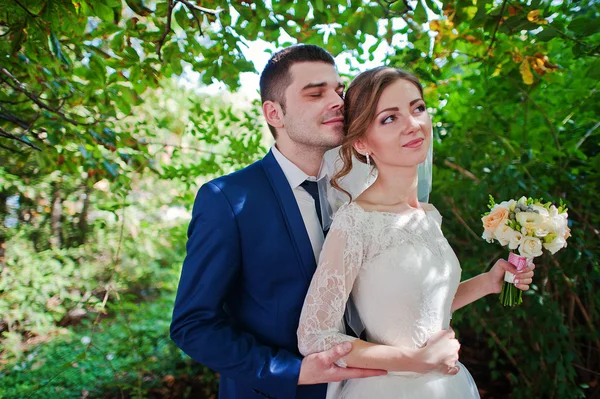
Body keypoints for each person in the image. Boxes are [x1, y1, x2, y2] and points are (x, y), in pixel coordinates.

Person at [170, 45, 405, 399]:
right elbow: (192, 324)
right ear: (274, 113)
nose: (338, 101)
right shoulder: (228, 200)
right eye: (316, 93)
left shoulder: (360, 188)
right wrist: (291, 372)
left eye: (339, 90)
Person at [296, 66, 536, 399]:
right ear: (363, 142)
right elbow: (314, 335)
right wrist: (416, 360)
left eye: (417, 108)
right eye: (389, 118)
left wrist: (487, 282)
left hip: (448, 386)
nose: (413, 124)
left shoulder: (428, 215)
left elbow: (418, 308)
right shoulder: (355, 223)